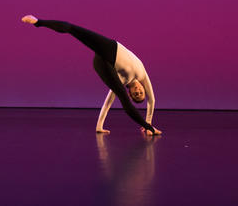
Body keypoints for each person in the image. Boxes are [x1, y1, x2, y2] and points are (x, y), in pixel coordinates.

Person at [21, 15, 160, 135]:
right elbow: (152, 100)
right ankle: (38, 22)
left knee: (122, 98)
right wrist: (149, 120)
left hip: (102, 65)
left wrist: (148, 127)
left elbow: (107, 104)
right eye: (141, 92)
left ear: (131, 93)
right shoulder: (143, 76)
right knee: (74, 30)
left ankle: (148, 128)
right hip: (112, 48)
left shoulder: (121, 80)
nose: (139, 91)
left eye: (136, 94)